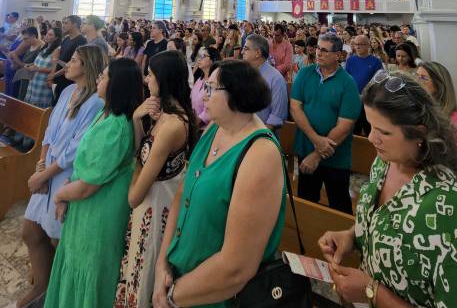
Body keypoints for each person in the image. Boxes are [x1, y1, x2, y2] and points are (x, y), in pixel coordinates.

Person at [319, 71, 457, 307]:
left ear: (419, 134)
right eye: (370, 126)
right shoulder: (384, 163)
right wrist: (352, 237)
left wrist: (373, 292)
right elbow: (387, 224)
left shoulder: (453, 209)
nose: (371, 138)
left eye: (384, 132)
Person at [152, 60, 286, 308]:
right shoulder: (215, 128)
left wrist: (172, 297)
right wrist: (162, 265)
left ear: (236, 94)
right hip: (179, 281)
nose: (203, 95)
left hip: (216, 296)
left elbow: (236, 267)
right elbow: (182, 195)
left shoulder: (260, 154)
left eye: (211, 88)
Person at [44, 57, 143, 308]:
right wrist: (68, 185)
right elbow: (85, 165)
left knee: (89, 270)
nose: (99, 78)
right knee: (73, 262)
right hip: (83, 204)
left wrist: (60, 195)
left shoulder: (116, 126)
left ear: (116, 84)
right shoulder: (104, 112)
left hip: (99, 210)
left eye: (105, 75)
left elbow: (90, 185)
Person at [18, 46, 106, 308]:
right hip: (47, 170)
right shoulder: (68, 91)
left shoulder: (95, 102)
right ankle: (41, 286)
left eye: (74, 60)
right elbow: (49, 132)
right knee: (30, 231)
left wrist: (46, 174)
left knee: (58, 239)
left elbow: (76, 149)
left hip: (66, 175)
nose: (67, 64)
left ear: (87, 66)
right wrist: (40, 167)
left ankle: (56, 292)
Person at [114, 51, 198, 308]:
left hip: (155, 207)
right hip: (151, 201)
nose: (146, 79)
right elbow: (142, 150)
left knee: (144, 275)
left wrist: (136, 168)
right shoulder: (164, 114)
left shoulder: (173, 124)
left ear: (163, 79)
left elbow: (134, 196)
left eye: (150, 75)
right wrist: (137, 118)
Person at [290, 33, 361, 213]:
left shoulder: (348, 83)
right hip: (306, 149)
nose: (318, 53)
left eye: (324, 50)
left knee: (339, 205)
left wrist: (317, 155)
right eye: (317, 48)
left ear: (337, 55)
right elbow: (295, 108)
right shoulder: (305, 73)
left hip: (336, 156)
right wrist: (316, 140)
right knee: (307, 203)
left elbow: (345, 126)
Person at [416, 61, 457, 170]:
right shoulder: (417, 110)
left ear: (439, 85)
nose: (417, 81)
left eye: (423, 78)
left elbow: (456, 162)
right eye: (416, 76)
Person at [242, 33, 288, 133]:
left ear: (257, 53)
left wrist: (258, 137)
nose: (242, 52)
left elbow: (276, 117)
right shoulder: (242, 74)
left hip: (262, 135)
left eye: (246, 49)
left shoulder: (276, 79)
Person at [345, 35, 382, 135]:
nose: (357, 46)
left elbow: (379, 82)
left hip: (369, 101)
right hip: (354, 99)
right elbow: (346, 80)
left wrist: (366, 95)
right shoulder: (350, 60)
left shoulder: (376, 61)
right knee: (354, 130)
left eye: (361, 44)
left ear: (368, 45)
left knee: (369, 129)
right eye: (356, 44)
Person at [23, 27, 62, 109]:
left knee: (38, 108)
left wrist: (38, 69)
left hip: (43, 83)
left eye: (50, 35)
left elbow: (54, 69)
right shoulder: (44, 46)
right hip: (34, 80)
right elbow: (38, 62)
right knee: (30, 106)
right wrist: (29, 65)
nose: (46, 36)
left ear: (56, 38)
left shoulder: (57, 50)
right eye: (47, 33)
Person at [51, 15, 87, 102]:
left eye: (66, 23)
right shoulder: (66, 39)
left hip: (68, 81)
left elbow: (72, 63)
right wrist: (53, 74)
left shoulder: (81, 41)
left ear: (75, 25)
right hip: (58, 79)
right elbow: (57, 58)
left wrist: (54, 75)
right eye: (63, 23)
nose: (63, 26)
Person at [190, 46, 221, 128]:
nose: (199, 59)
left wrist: (199, 120)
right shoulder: (200, 80)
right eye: (199, 56)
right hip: (194, 123)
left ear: (212, 60)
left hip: (204, 127)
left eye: (203, 56)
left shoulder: (211, 82)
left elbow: (210, 105)